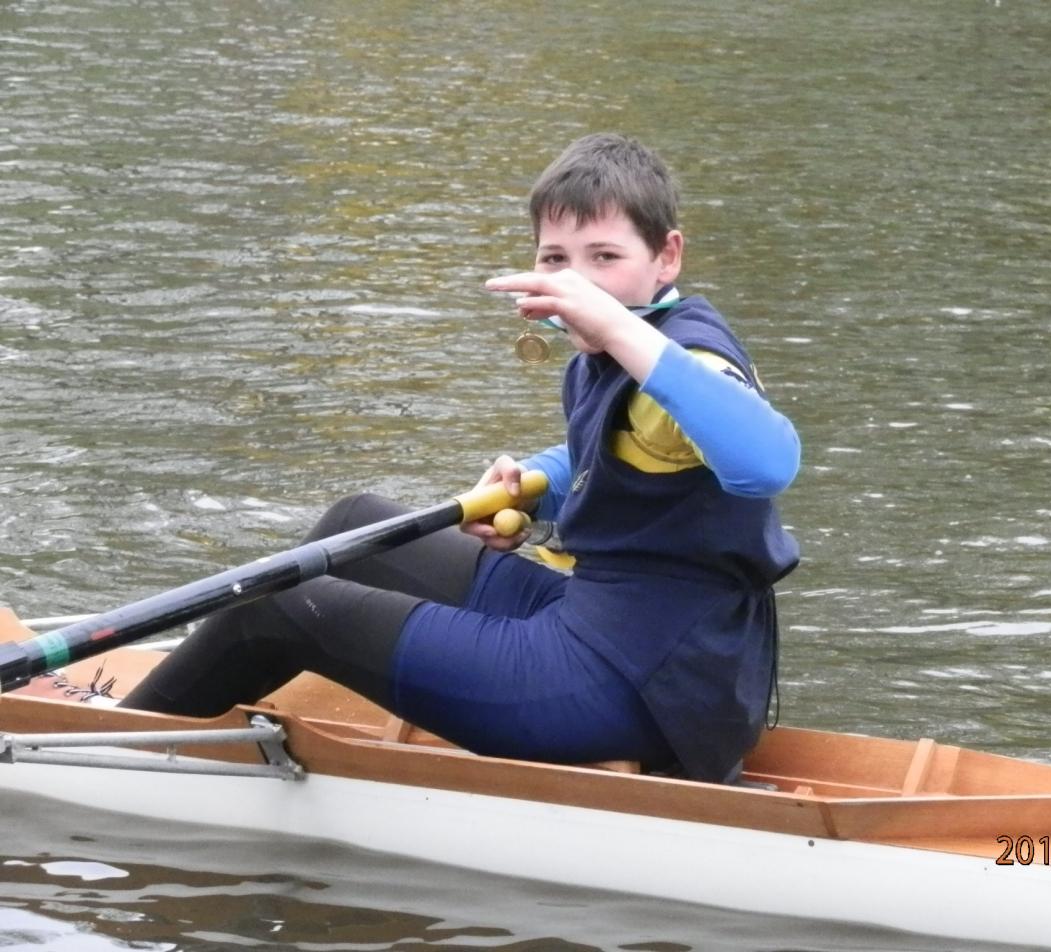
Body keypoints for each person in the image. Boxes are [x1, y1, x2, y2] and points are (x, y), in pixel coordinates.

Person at [123, 133, 800, 783]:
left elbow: (767, 464)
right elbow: (620, 457)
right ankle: (225, 691)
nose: (578, 284)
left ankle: (116, 748)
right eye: (555, 260)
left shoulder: (684, 356)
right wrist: (531, 486)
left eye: (604, 257)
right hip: (615, 634)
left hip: (635, 692)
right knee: (357, 523)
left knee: (275, 605)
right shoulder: (615, 352)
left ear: (667, 257)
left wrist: (613, 325)